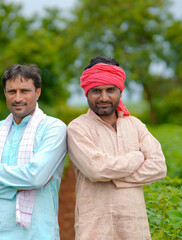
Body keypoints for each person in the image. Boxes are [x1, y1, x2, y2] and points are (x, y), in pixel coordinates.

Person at [67, 56, 167, 239]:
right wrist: (137, 158)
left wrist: (116, 178)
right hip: (96, 228)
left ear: (120, 91)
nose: (103, 97)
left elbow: (159, 167)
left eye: (110, 90)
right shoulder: (78, 128)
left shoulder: (135, 125)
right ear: (87, 93)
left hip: (134, 227)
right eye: (96, 91)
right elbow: (97, 170)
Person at [0, 64, 67, 240]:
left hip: (37, 232)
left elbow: (35, 177)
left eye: (25, 91)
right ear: (5, 93)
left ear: (37, 93)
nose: (17, 98)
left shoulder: (53, 128)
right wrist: (20, 187)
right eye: (11, 91)